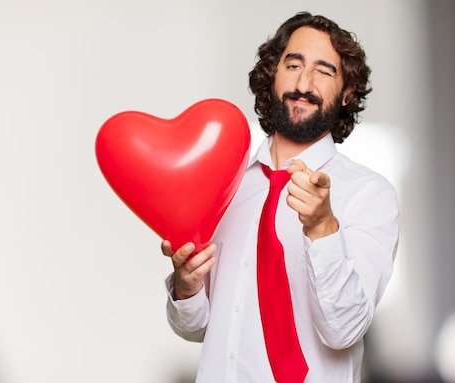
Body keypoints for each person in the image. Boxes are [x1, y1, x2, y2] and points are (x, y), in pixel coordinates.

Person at [161, 12, 399, 383]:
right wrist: (186, 287)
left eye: (324, 70)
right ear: (272, 74)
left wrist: (323, 229)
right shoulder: (224, 184)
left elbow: (344, 330)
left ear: (347, 92)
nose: (304, 83)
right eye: (293, 64)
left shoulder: (369, 195)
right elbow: (195, 329)